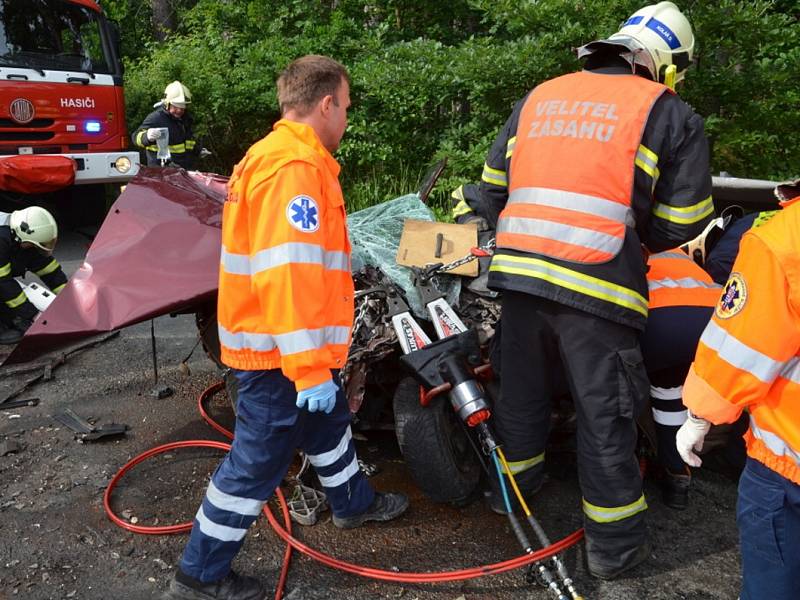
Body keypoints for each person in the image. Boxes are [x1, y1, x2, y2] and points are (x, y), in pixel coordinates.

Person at [480, 1, 712, 579]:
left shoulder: (541, 95)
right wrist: (631, 234)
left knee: (521, 398)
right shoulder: (669, 112)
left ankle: (514, 502)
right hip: (599, 281)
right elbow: (682, 225)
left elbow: (489, 191)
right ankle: (615, 551)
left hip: (519, 277)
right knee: (604, 415)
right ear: (664, 61)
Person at [166, 56, 409, 600]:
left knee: (330, 426)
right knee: (256, 463)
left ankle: (353, 504)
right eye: (345, 107)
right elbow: (289, 278)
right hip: (278, 357)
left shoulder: (276, 157)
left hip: (289, 353)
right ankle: (198, 577)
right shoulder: (294, 170)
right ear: (326, 104)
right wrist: (307, 370)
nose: (346, 118)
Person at [676, 191, 800, 600]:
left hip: (788, 460)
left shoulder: (784, 237)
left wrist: (699, 415)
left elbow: (741, 345)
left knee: (774, 581)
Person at [640, 248, 724, 509]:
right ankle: (677, 476)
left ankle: (632, 467)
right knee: (671, 393)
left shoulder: (627, 246)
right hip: (714, 318)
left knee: (624, 392)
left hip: (660, 319)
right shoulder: (677, 253)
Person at [0, 206, 67, 345]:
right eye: (32, 245)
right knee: (7, 291)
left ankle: (7, 320)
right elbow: (4, 283)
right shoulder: (2, 238)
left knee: (11, 310)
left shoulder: (21, 233)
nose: (33, 248)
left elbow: (48, 269)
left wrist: (69, 297)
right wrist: (33, 315)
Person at [132, 81, 200, 169]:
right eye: (175, 107)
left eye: (182, 108)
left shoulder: (186, 119)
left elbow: (187, 143)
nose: (179, 111)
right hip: (161, 173)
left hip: (183, 172)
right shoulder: (156, 118)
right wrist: (147, 137)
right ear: (167, 104)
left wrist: (198, 150)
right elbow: (135, 137)